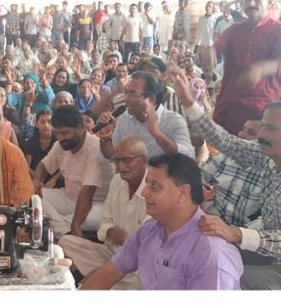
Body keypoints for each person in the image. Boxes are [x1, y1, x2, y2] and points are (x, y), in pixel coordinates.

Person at [169, 66, 281, 290]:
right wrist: (188, 102)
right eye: (263, 127)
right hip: (276, 260)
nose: (262, 134)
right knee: (203, 254)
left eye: (270, 129)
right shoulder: (271, 155)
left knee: (222, 278)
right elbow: (224, 140)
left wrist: (235, 233)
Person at [80, 152, 243, 290]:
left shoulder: (211, 253)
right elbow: (111, 271)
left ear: (182, 193)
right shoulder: (150, 230)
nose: (144, 192)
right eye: (147, 184)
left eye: (154, 186)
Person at [60, 136, 149, 289]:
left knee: (137, 279)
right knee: (65, 242)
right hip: (110, 253)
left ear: (144, 160)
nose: (121, 167)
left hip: (137, 265)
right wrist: (110, 232)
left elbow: (147, 245)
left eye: (127, 160)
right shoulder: (117, 182)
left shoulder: (153, 190)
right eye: (117, 160)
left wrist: (125, 240)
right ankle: (106, 278)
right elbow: (105, 220)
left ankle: (103, 278)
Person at [207, 0, 281, 135]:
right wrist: (209, 53)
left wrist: (261, 68)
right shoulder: (233, 30)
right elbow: (215, 51)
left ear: (270, 2)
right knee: (224, 157)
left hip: (259, 112)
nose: (250, 3)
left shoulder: (280, 31)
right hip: (228, 106)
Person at [32, 105, 114, 239]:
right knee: (34, 199)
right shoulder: (60, 145)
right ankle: (66, 233)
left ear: (81, 127)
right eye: (57, 133)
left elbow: (88, 191)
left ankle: (57, 227)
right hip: (68, 197)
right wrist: (36, 181)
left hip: (96, 203)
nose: (60, 138)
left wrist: (76, 224)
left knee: (91, 220)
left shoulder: (95, 148)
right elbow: (43, 166)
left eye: (64, 133)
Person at [97, 71, 194, 159]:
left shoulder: (174, 120)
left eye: (132, 94)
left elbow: (187, 156)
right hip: (128, 177)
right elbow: (112, 156)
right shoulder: (124, 118)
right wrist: (106, 135)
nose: (125, 99)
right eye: (126, 93)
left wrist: (157, 133)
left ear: (151, 99)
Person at [201, 117, 264, 227]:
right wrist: (206, 205)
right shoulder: (224, 156)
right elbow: (197, 179)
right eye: (243, 129)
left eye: (251, 133)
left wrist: (236, 234)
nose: (241, 135)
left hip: (243, 235)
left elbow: (265, 219)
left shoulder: (269, 171)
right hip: (211, 222)